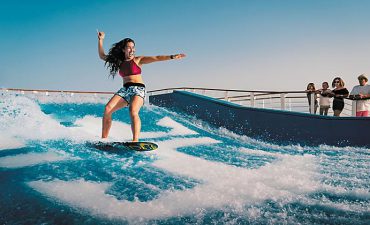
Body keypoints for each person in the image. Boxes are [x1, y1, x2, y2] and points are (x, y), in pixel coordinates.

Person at [97, 31, 186, 141]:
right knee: (107, 109)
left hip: (138, 89)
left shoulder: (138, 60)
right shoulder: (119, 62)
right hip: (125, 90)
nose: (132, 50)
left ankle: (135, 140)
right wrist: (101, 40)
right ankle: (104, 140)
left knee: (133, 110)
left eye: (133, 47)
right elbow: (102, 56)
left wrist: (172, 56)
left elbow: (157, 58)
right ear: (123, 49)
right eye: (129, 47)